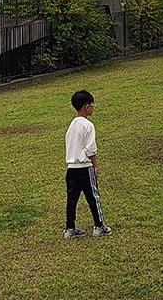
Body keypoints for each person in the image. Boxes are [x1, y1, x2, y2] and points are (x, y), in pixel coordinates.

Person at [64, 89, 110, 239]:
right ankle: (99, 226)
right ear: (86, 107)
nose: (93, 108)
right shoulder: (88, 125)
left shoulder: (71, 126)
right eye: (92, 105)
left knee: (72, 199)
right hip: (84, 167)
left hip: (71, 168)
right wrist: (95, 165)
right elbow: (91, 149)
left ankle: (69, 228)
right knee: (93, 197)